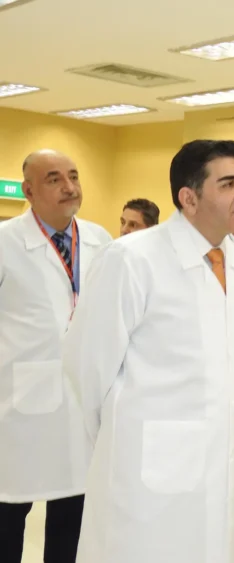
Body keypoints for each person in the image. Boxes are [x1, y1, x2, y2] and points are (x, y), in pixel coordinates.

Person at [62, 139, 234, 563]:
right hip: (146, 478)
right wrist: (123, 440)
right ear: (189, 198)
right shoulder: (132, 259)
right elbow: (86, 370)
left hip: (220, 471)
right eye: (228, 184)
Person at [0, 149, 112, 563]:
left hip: (83, 402)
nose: (69, 187)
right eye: (54, 179)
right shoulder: (5, 241)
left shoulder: (102, 240)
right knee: (8, 516)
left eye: (74, 176)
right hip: (16, 408)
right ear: (28, 191)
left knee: (73, 520)